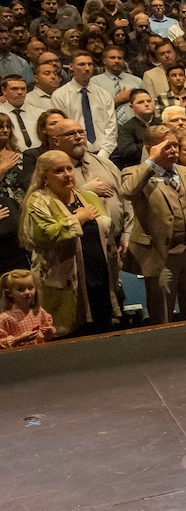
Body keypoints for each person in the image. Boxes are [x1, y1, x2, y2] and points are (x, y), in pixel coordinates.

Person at [119, 124, 186, 324]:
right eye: (167, 146)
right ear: (151, 148)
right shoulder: (135, 173)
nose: (174, 150)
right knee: (162, 316)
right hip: (161, 259)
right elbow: (127, 192)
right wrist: (151, 162)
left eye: (175, 145)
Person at [21, 150, 120, 337]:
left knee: (102, 332)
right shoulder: (38, 201)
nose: (67, 174)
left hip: (98, 277)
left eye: (69, 168)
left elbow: (107, 232)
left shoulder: (87, 197)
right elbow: (42, 236)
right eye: (59, 170)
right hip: (64, 284)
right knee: (73, 335)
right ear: (44, 177)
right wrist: (77, 219)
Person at [0, 268, 55, 347]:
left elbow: (46, 332)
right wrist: (18, 340)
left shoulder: (38, 311)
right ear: (9, 293)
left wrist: (50, 332)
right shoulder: (5, 318)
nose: (27, 292)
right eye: (21, 290)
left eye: (30, 288)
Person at [0, 115, 26, 272]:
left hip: (20, 209)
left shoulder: (20, 154)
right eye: (0, 126)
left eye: (8, 126)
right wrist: (3, 168)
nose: (4, 130)